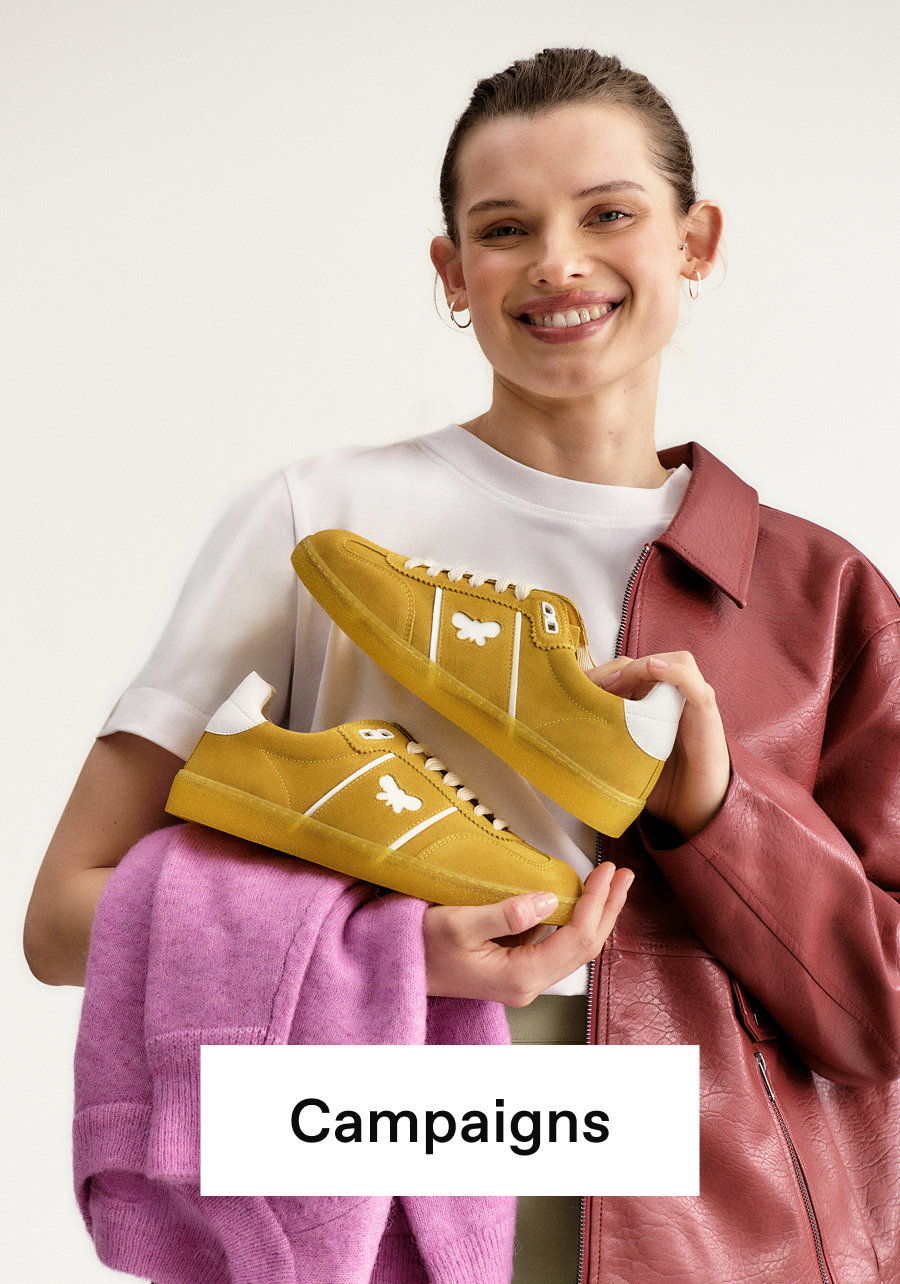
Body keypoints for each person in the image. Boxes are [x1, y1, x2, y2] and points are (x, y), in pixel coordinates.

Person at [24, 46, 900, 1284]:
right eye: (504, 228)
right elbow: (65, 920)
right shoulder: (321, 523)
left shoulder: (822, 590)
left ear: (695, 241)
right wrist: (390, 951)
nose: (558, 261)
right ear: (452, 272)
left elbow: (882, 1017)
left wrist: (714, 809)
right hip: (383, 1185)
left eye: (609, 213)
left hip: (717, 1233)